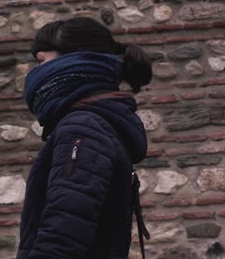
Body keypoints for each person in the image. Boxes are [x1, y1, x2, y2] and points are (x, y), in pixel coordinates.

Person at [17, 17, 152, 259]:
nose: (36, 74)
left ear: (73, 62)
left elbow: (64, 233)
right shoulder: (98, 124)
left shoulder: (82, 128)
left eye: (41, 62)